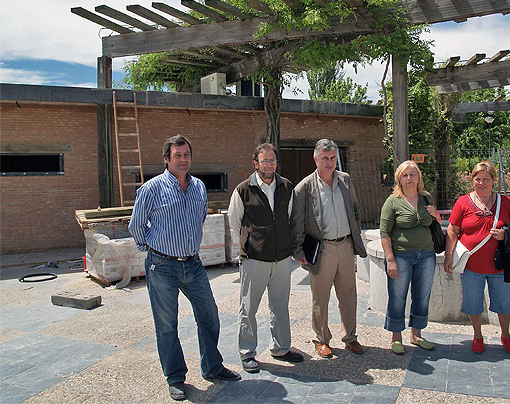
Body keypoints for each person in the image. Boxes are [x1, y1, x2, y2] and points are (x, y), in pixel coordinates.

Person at [129, 135, 240, 401]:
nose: (183, 159)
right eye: (177, 155)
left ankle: (212, 367)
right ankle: (176, 377)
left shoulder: (199, 186)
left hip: (193, 264)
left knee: (210, 315)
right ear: (166, 159)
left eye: (186, 154)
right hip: (162, 266)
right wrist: (154, 250)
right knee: (167, 325)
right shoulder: (151, 188)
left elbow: (199, 218)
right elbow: (136, 226)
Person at [228, 143, 304, 373]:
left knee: (280, 306)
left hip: (281, 259)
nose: (269, 165)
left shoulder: (286, 186)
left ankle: (280, 348)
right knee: (248, 308)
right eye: (264, 161)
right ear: (255, 164)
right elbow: (234, 222)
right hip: (254, 259)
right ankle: (247, 353)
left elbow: (290, 218)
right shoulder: (243, 190)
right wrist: (251, 242)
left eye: (272, 160)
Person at [291, 139, 367, 358]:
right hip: (322, 250)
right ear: (315, 159)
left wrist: (355, 231)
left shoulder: (345, 180)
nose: (329, 162)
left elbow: (355, 208)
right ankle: (321, 339)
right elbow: (297, 222)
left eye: (333, 158)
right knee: (320, 298)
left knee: (349, 295)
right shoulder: (304, 187)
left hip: (344, 246)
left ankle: (350, 337)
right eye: (324, 158)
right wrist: (298, 251)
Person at [444, 160, 510, 354]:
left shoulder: (505, 202)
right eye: (477, 179)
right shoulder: (463, 202)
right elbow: (453, 229)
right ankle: (477, 336)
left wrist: (505, 234)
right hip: (471, 266)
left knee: (504, 304)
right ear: (473, 181)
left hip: (500, 266)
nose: (481, 183)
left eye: (486, 179)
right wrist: (448, 255)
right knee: (473, 303)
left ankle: (506, 335)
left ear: (494, 180)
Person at [379, 161, 441, 355]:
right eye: (405, 175)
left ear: (418, 177)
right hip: (401, 256)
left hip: (427, 255)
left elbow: (437, 223)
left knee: (422, 296)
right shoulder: (392, 201)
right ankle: (396, 337)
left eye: (413, 174)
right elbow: (384, 233)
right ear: (399, 178)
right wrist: (390, 260)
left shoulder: (426, 198)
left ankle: (416, 335)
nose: (409, 178)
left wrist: (436, 214)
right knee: (397, 296)